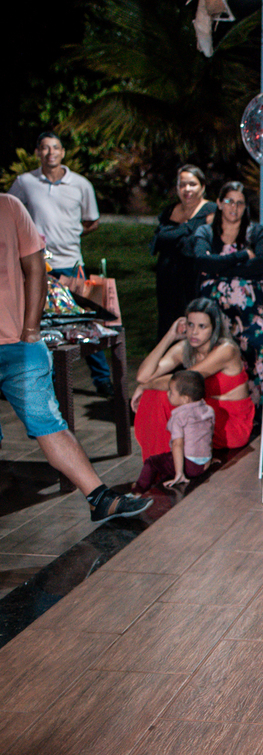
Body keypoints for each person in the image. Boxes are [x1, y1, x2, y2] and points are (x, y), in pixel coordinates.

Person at [0, 194, 151, 523]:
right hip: (19, 344)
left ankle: (100, 498)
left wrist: (30, 330)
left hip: (19, 346)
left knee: (49, 424)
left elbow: (37, 268)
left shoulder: (9, 206)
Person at [7, 131, 112, 396]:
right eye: (45, 148)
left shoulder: (81, 184)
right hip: (36, 266)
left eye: (55, 147)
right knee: (41, 324)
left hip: (73, 263)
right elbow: (8, 215)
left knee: (87, 322)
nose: (50, 152)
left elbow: (92, 221)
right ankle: (46, 380)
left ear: (63, 152)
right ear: (37, 152)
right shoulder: (24, 182)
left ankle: (103, 380)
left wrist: (71, 234)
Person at [132, 297, 254, 457]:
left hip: (230, 426)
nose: (194, 332)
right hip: (203, 415)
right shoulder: (185, 348)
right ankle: (158, 460)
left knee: (164, 396)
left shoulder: (226, 350)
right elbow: (143, 376)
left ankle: (162, 462)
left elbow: (182, 381)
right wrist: (170, 336)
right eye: (190, 325)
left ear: (214, 328)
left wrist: (144, 386)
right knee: (152, 395)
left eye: (202, 326)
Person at [189, 181, 263, 394]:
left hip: (250, 313)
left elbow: (262, 264)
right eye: (229, 201)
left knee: (256, 350)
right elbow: (201, 261)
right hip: (214, 313)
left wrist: (218, 267)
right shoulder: (205, 232)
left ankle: (258, 407)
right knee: (213, 354)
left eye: (240, 203)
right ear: (219, 203)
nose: (234, 208)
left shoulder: (257, 233)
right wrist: (241, 256)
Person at [150, 165, 217, 341]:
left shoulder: (211, 211)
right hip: (167, 277)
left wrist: (174, 235)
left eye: (192, 184)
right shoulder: (170, 211)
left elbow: (198, 245)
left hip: (193, 278)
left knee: (193, 319)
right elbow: (159, 239)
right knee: (167, 320)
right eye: (182, 185)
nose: (187, 189)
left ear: (202, 186)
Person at [132, 370, 213, 493]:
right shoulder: (207, 410)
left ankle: (138, 491)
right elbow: (208, 436)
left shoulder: (179, 417)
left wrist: (179, 473)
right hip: (202, 464)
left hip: (189, 466)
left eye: (171, 392)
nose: (168, 393)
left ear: (185, 399)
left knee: (151, 462)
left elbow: (177, 444)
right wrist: (208, 459)